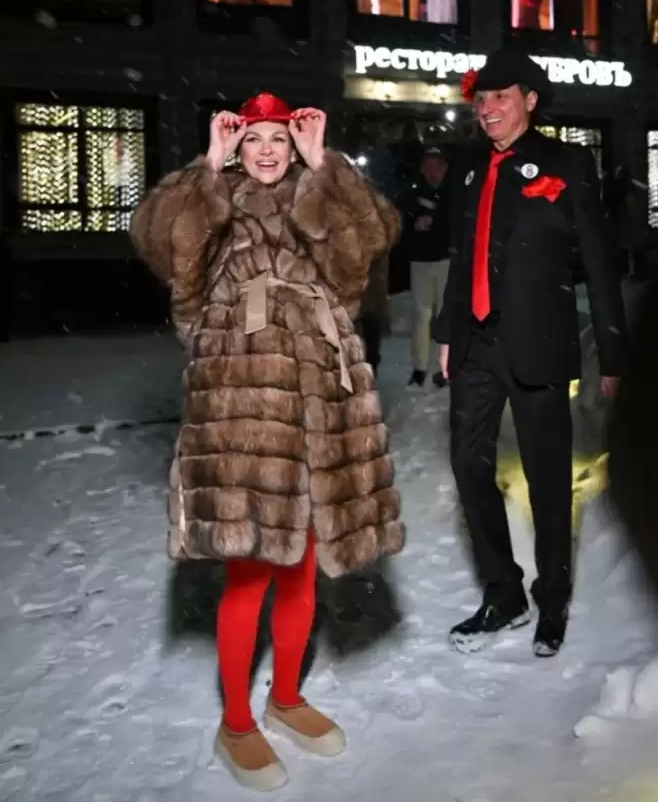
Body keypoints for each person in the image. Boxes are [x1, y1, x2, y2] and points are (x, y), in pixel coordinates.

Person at [130, 92, 404, 791]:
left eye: (279, 139)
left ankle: (284, 695)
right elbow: (163, 247)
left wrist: (326, 168)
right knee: (249, 570)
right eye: (253, 139)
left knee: (303, 567)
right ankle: (236, 722)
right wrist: (206, 168)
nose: (267, 151)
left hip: (321, 400)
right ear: (238, 146)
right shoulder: (215, 202)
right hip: (241, 406)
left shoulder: (318, 197)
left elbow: (368, 248)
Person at [433, 48, 625, 658]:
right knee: (468, 465)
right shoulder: (468, 168)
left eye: (501, 97)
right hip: (476, 343)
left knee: (547, 478)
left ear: (530, 100)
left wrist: (613, 355)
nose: (488, 108)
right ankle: (503, 594)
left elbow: (600, 264)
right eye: (481, 99)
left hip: (539, 344)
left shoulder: (568, 163)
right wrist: (447, 332)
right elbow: (462, 259)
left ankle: (553, 598)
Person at [402, 147, 451, 388]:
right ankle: (419, 367)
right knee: (421, 315)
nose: (433, 172)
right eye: (428, 167)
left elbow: (456, 223)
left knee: (445, 315)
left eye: (437, 167)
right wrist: (415, 224)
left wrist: (436, 223)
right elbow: (403, 221)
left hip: (445, 261)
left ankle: (446, 367)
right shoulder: (413, 193)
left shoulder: (452, 193)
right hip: (420, 262)